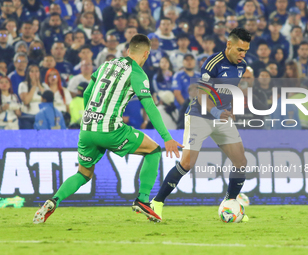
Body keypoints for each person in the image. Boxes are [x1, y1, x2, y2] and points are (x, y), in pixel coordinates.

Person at [33, 34, 183, 224]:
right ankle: (143, 200)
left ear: (128, 50)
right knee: (153, 150)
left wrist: (91, 118)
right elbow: (150, 107)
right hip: (110, 129)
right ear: (146, 53)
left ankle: (53, 200)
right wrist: (167, 137)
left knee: (83, 173)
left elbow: (87, 92)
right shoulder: (137, 73)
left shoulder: (106, 65)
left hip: (86, 128)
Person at [151, 28, 251, 222]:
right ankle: (157, 202)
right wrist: (216, 112)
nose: (242, 54)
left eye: (245, 50)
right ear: (228, 44)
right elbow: (201, 94)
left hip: (222, 118)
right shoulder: (213, 63)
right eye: (239, 49)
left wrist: (232, 109)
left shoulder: (242, 65)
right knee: (187, 163)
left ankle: (230, 203)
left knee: (240, 162)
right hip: (200, 116)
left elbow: (232, 88)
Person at [19, 64, 49, 129]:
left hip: (42, 116)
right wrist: (34, 86)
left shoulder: (45, 86)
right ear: (28, 73)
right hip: (27, 116)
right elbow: (26, 101)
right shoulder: (23, 85)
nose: (34, 74)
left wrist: (40, 86)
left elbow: (48, 100)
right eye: (32, 71)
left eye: (36, 71)